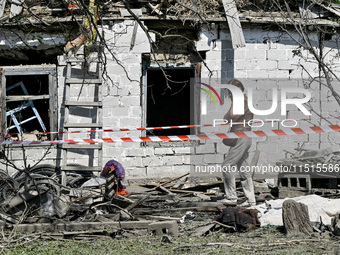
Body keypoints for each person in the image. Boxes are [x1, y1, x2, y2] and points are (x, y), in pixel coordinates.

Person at [219, 79, 256, 207]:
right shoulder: (240, 100)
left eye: (231, 92)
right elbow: (227, 118)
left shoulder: (242, 100)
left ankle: (231, 197)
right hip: (242, 137)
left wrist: (228, 115)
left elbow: (233, 116)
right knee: (244, 169)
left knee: (226, 165)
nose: (229, 95)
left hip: (241, 137)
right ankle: (250, 199)